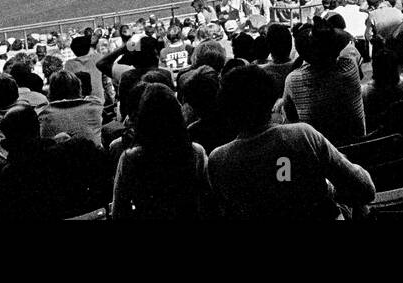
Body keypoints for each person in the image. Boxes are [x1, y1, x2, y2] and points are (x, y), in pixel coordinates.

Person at [206, 66, 375, 220]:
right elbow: (365, 189)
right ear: (270, 99)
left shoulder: (218, 160)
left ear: (226, 110)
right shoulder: (301, 136)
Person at [0, 105, 111, 220]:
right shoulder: (77, 149)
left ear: (8, 142)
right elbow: (107, 179)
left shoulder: (10, 175)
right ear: (38, 128)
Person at [112, 83, 208, 219]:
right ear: (178, 115)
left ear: (143, 119)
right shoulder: (196, 152)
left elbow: (119, 212)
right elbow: (207, 202)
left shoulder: (130, 158)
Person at [282, 22, 366, 145]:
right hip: (359, 145)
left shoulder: (293, 79)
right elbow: (348, 49)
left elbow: (291, 118)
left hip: (319, 153)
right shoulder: (350, 67)